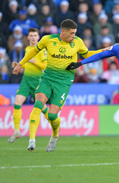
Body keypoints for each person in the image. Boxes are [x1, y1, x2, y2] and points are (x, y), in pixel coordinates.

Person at [13, 19, 104, 152]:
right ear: (63, 32)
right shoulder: (48, 39)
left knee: (51, 116)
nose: (74, 36)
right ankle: (32, 141)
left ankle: (55, 135)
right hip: (48, 78)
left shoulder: (78, 42)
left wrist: (103, 51)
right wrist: (20, 64)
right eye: (72, 33)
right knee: (38, 103)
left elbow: (87, 54)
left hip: (64, 82)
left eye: (75, 33)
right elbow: (33, 52)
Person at [8, 28, 50, 143]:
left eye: (35, 35)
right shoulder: (27, 49)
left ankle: (54, 125)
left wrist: (34, 62)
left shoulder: (42, 50)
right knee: (17, 103)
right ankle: (16, 131)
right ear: (27, 37)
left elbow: (46, 66)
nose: (32, 37)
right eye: (31, 35)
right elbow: (28, 65)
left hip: (37, 82)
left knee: (43, 108)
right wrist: (20, 65)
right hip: (26, 81)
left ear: (38, 37)